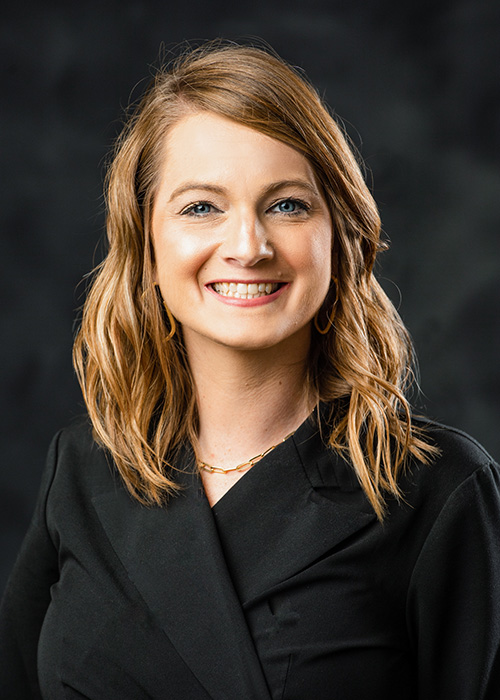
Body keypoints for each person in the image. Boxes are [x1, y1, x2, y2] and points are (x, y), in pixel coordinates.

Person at [1, 40, 499, 700]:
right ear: (147, 244)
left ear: (340, 236)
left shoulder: (442, 491)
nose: (248, 246)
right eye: (201, 207)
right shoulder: (83, 468)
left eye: (287, 204)